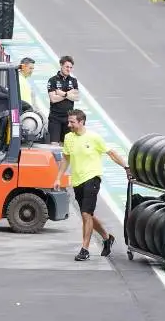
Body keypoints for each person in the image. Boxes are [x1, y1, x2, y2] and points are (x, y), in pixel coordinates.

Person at [54, 109, 130, 262]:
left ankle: (85, 249)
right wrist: (57, 178)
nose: (69, 125)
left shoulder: (94, 138)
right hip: (77, 181)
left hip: (92, 178)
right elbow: (65, 159)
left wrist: (126, 167)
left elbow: (111, 153)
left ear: (81, 122)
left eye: (72, 122)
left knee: (85, 215)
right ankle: (107, 238)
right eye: (69, 122)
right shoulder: (68, 138)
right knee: (88, 214)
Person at [46, 55, 79, 144]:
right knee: (54, 146)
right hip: (55, 118)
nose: (69, 69)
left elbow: (76, 97)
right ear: (61, 65)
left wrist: (62, 93)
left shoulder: (73, 81)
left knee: (67, 146)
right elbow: (53, 99)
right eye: (67, 67)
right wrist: (68, 94)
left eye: (71, 67)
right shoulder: (52, 80)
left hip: (69, 119)